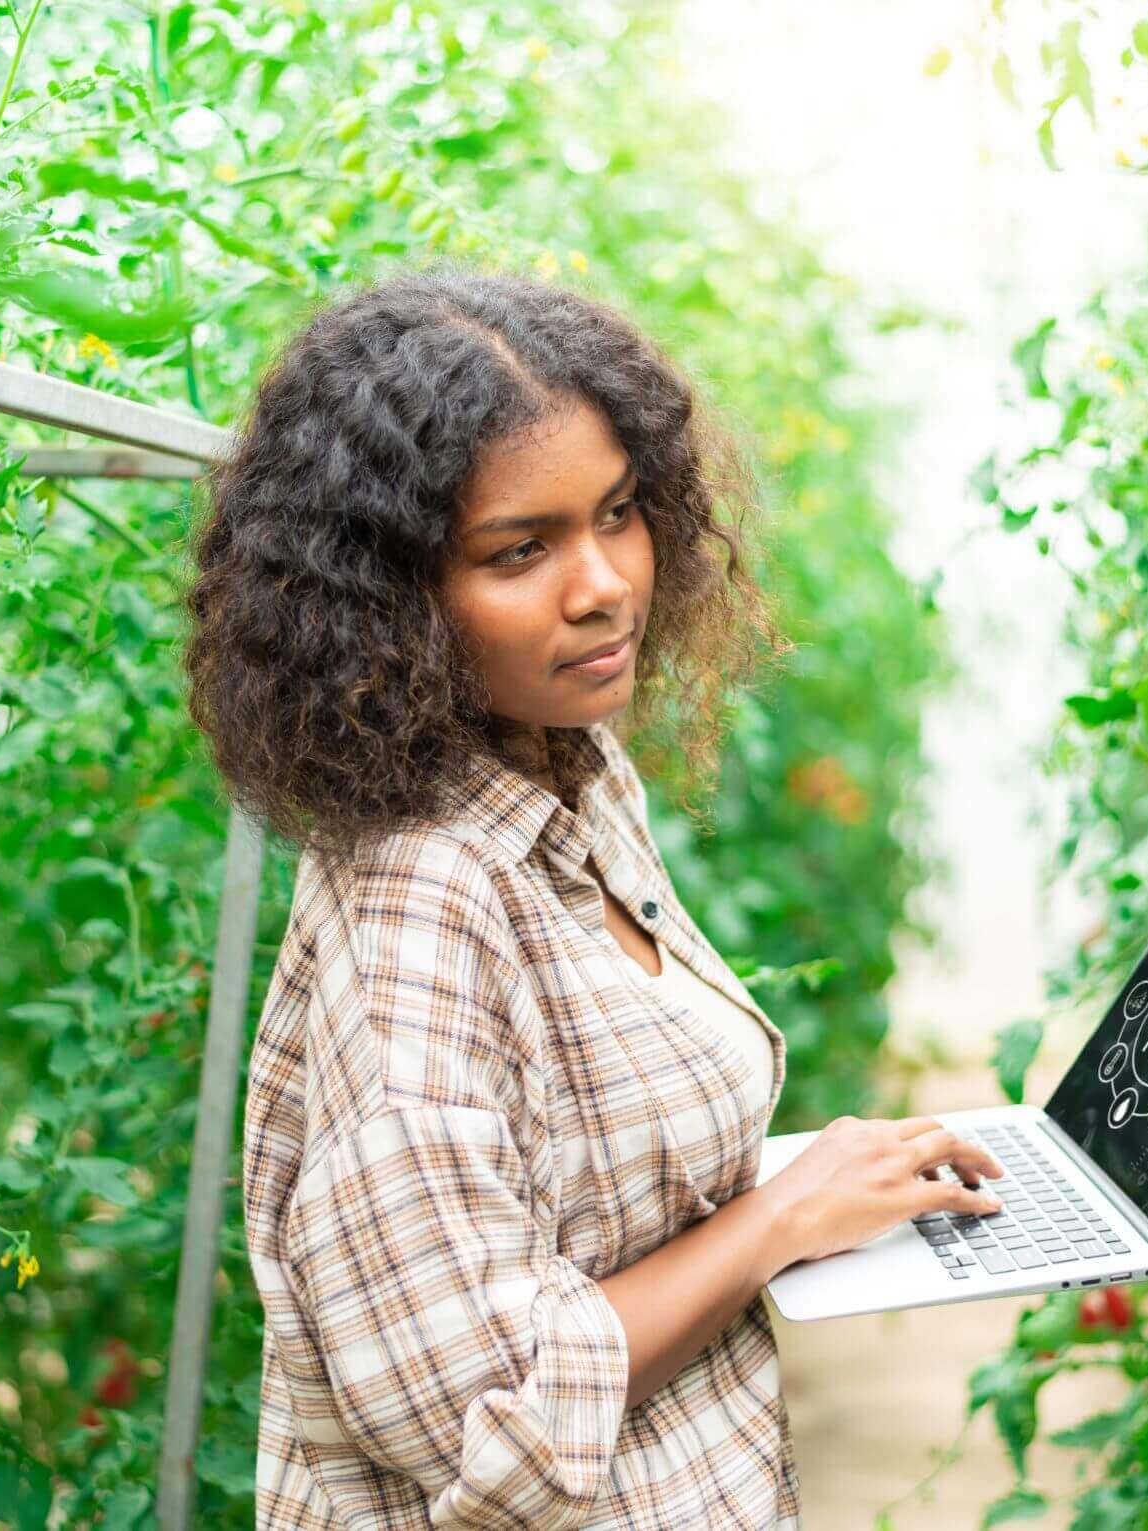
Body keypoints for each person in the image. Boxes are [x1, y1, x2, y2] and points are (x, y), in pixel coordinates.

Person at [186, 267, 1007, 1529]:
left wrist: (839, 1178)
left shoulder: (569, 771)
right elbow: (486, 1419)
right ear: (384, 598)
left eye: (618, 513)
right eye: (522, 549)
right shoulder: (424, 901)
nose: (604, 582)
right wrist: (777, 1221)